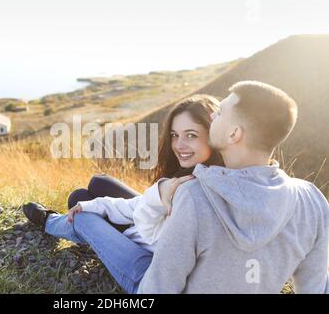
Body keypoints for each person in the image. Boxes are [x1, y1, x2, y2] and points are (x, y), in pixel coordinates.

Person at [138, 80, 329, 293]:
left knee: (95, 224)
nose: (211, 116)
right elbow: (316, 286)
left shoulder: (195, 195)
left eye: (219, 113)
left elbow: (158, 287)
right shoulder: (313, 200)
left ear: (233, 134)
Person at [22, 94, 223, 293]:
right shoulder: (196, 175)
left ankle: (48, 220)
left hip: (152, 274)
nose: (179, 145)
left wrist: (147, 205)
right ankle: (99, 223)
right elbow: (142, 210)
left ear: (215, 135)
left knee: (80, 210)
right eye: (174, 135)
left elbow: (155, 239)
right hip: (148, 231)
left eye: (191, 135)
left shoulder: (200, 194)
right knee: (96, 185)